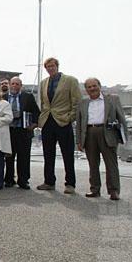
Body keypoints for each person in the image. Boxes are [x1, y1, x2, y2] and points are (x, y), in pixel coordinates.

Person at [76, 78, 126, 200]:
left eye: (94, 86)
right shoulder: (83, 103)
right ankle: (95, 189)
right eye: (89, 87)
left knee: (111, 164)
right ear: (86, 89)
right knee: (93, 164)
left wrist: (123, 137)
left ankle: (114, 191)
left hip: (107, 133)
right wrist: (79, 141)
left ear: (99, 86)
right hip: (89, 133)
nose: (92, 89)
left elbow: (122, 119)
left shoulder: (113, 99)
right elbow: (79, 123)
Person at [37, 57, 81, 194]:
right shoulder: (43, 83)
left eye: (52, 66)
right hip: (47, 121)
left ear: (57, 66)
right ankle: (49, 181)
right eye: (48, 66)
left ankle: (70, 184)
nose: (50, 68)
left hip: (63, 121)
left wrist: (70, 117)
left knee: (67, 154)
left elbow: (77, 101)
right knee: (48, 154)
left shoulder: (70, 80)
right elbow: (43, 103)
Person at [3, 77, 40, 189]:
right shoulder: (3, 97)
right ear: (9, 85)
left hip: (24, 131)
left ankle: (23, 180)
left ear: (21, 86)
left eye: (17, 84)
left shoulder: (28, 97)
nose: (15, 86)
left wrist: (34, 124)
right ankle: (9, 179)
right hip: (8, 131)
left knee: (24, 157)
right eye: (13, 84)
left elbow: (36, 112)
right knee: (9, 156)